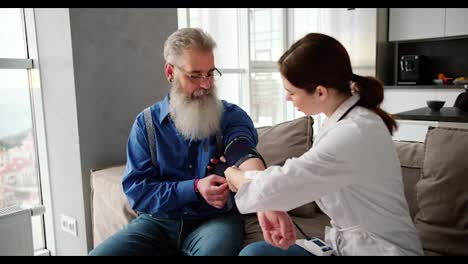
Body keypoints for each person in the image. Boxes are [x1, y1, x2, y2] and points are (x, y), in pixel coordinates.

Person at [224, 33, 424, 256]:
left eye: (291, 92)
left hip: (380, 250)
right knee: (256, 253)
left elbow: (287, 180)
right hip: (348, 247)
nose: (287, 99)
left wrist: (236, 176)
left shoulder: (353, 133)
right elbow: (293, 183)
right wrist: (270, 203)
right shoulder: (344, 120)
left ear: (320, 92)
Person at [89, 28, 266, 256]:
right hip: (158, 223)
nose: (206, 84)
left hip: (215, 222)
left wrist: (256, 181)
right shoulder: (146, 125)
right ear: (170, 72)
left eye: (210, 73)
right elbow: (138, 193)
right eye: (195, 75)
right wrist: (194, 188)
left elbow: (241, 150)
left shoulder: (232, 117)